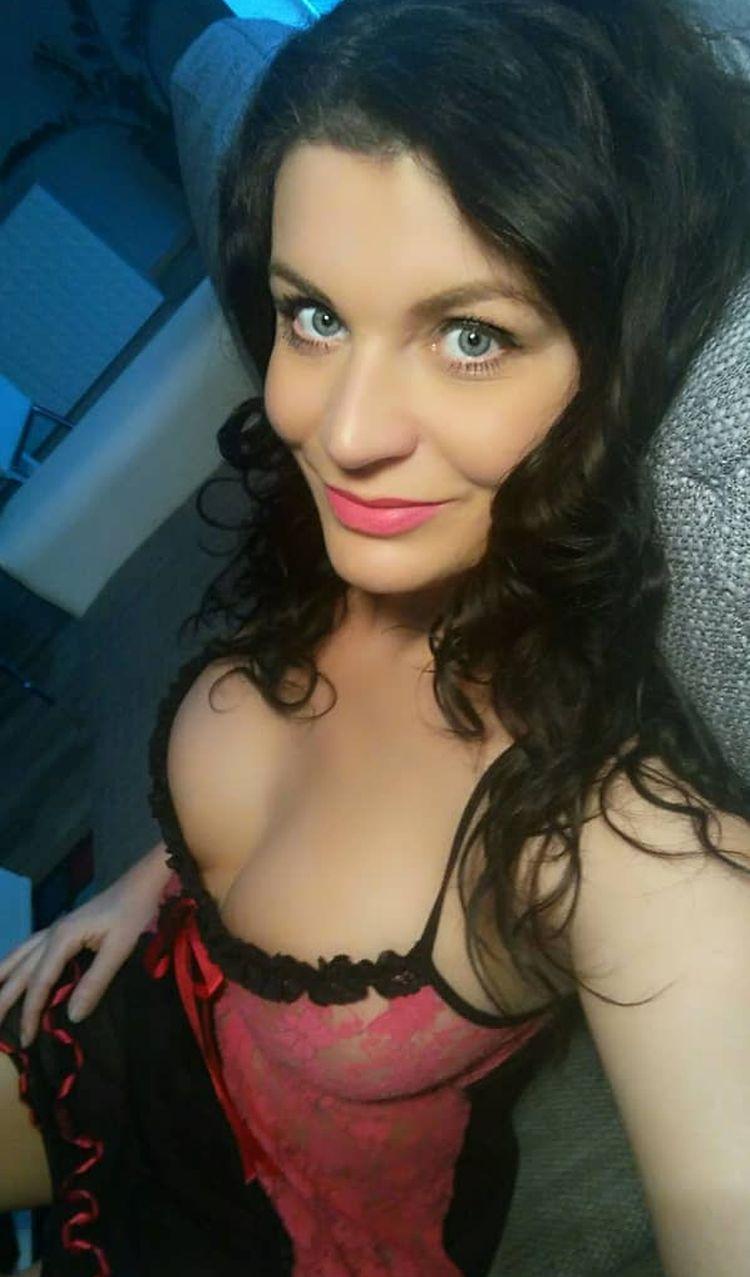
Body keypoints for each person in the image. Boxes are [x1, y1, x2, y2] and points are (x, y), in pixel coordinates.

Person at [2, 0, 750, 1272]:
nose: (341, 432)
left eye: (470, 337)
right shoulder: (361, 536)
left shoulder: (620, 839)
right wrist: (155, 877)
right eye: (315, 317)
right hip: (137, 1023)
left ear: (615, 352)